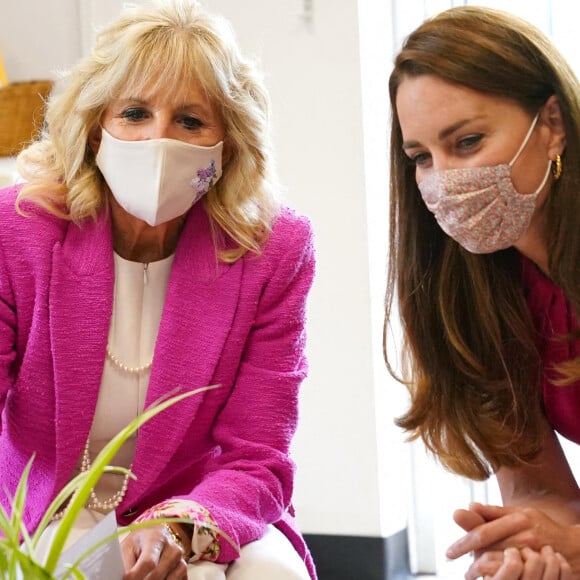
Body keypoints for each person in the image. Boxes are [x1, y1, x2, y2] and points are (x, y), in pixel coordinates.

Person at [0, 1, 316, 579]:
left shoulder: (272, 250)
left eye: (191, 121)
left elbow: (259, 455)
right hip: (51, 515)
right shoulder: (17, 229)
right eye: (136, 113)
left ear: (227, 145)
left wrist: (182, 525)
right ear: (96, 128)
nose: (158, 139)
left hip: (205, 508)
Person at [384, 5, 580, 579]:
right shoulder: (477, 297)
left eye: (466, 142)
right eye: (421, 157)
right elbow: (539, 490)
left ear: (552, 125)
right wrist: (524, 545)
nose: (442, 179)